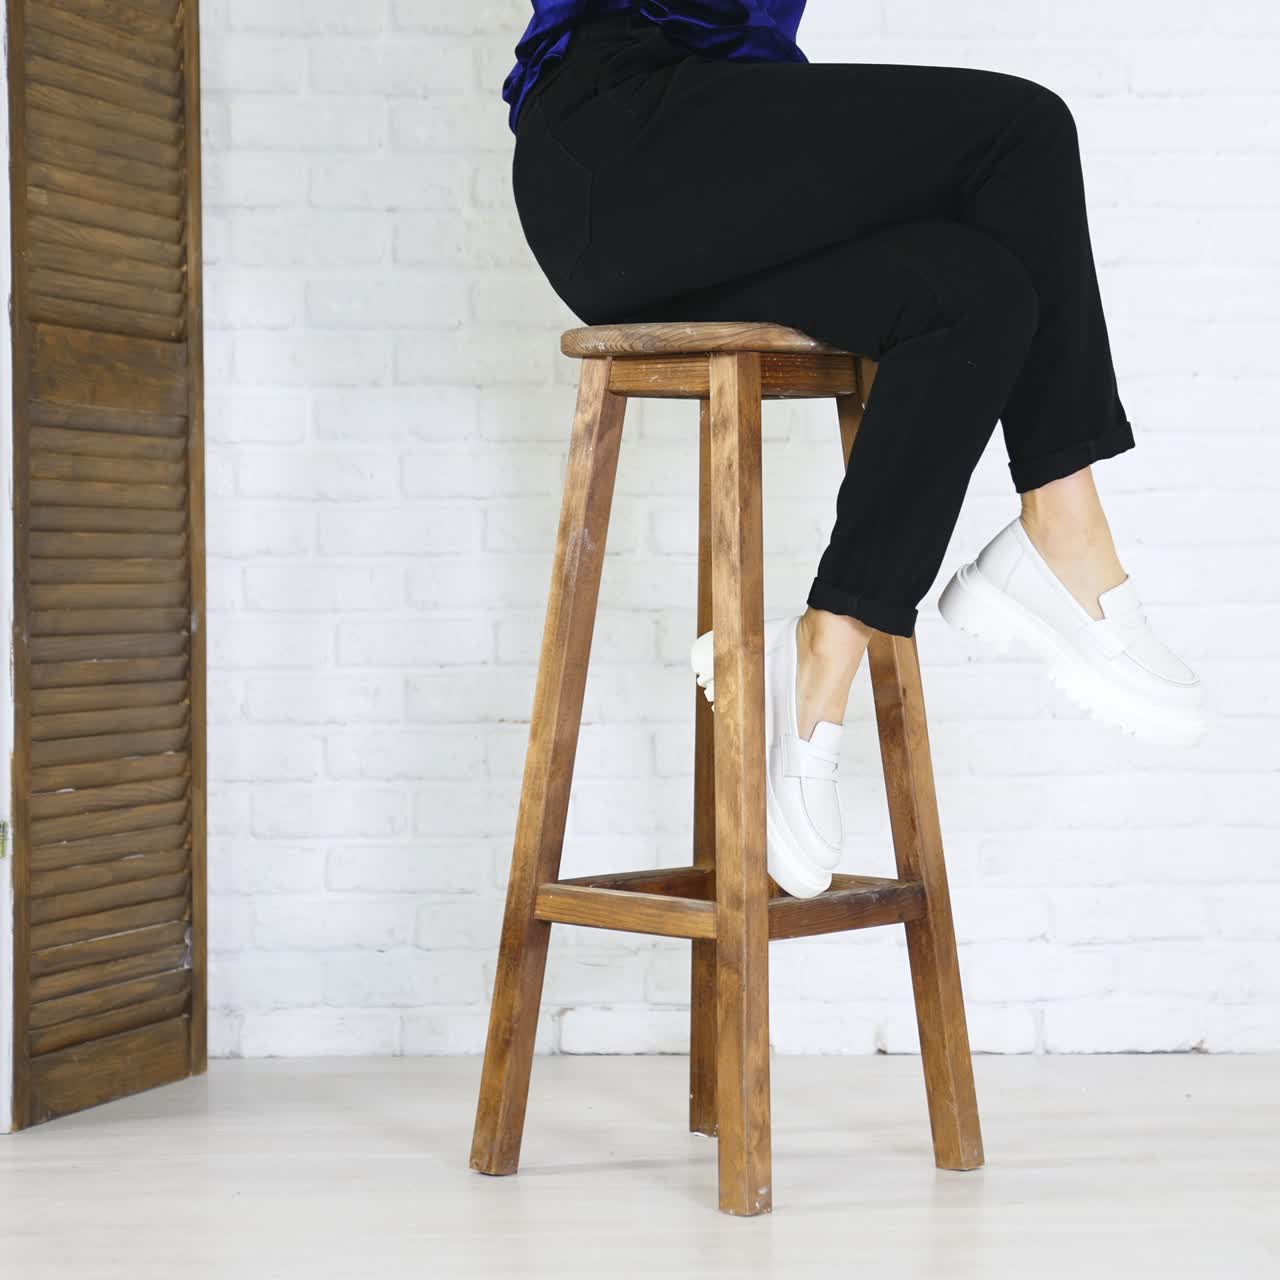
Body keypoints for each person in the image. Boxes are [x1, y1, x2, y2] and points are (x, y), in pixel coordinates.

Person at [502, 2, 1207, 898]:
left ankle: (818, 654)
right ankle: (1064, 533)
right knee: (1022, 132)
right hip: (620, 136)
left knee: (976, 296)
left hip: (724, 161)